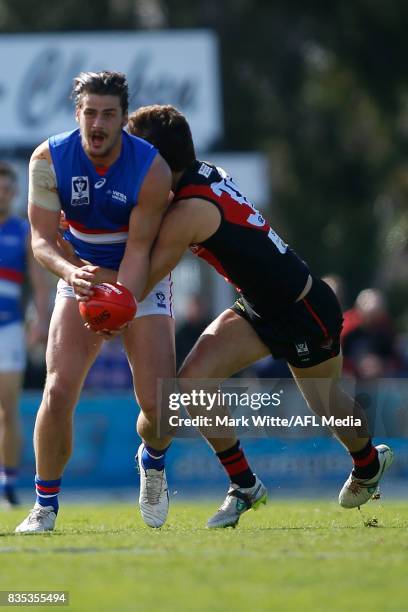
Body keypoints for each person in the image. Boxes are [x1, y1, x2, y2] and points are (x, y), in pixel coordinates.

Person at [127, 104, 394, 528]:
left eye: (135, 153)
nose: (129, 162)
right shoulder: (198, 176)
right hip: (257, 306)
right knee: (193, 383)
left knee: (327, 405)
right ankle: (245, 486)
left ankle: (367, 461)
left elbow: (141, 279)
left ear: (158, 159)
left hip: (303, 308)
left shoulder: (187, 212)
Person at [15, 71, 176, 533]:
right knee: (57, 390)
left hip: (136, 277)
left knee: (160, 409)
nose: (98, 123)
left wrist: (120, 302)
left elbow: (140, 250)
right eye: (90, 112)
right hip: (80, 273)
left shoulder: (151, 168)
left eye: (109, 114)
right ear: (77, 114)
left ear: (124, 119)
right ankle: (44, 506)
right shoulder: (47, 159)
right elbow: (42, 242)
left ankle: (153, 459)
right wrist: (72, 274)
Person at [0, 161, 50, 507]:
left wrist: (42, 321)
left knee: (7, 409)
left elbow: (40, 285)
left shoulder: (23, 231)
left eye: (6, 189)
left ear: (15, 192)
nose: (2, 194)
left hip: (9, 329)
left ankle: (7, 485)